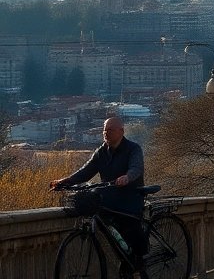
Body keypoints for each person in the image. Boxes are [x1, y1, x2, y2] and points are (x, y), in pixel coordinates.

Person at [51, 116, 148, 272]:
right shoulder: (101, 152)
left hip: (130, 197)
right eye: (104, 129)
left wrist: (127, 177)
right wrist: (65, 181)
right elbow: (85, 172)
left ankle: (138, 258)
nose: (106, 133)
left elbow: (136, 168)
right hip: (109, 197)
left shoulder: (133, 148)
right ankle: (124, 254)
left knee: (130, 227)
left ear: (121, 131)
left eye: (110, 130)